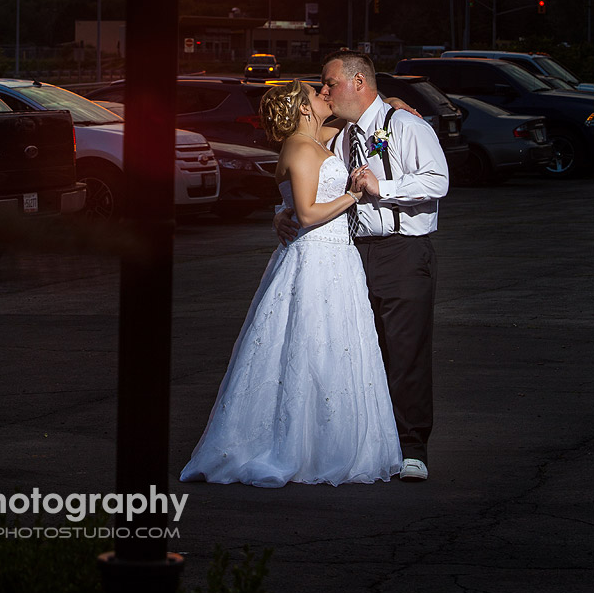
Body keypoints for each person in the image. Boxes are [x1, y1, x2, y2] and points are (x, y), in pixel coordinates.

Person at [180, 79, 402, 488]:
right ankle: (297, 445)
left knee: (337, 346)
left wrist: (393, 104)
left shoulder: (320, 140)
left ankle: (327, 440)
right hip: (314, 258)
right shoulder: (300, 147)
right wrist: (354, 195)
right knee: (307, 345)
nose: (324, 94)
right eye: (316, 92)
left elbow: (371, 132)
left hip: (337, 257)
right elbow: (306, 213)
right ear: (302, 109)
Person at [275, 52, 448, 481]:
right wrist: (282, 211)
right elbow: (308, 180)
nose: (325, 91)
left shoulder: (406, 125)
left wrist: (382, 186)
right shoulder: (336, 136)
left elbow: (438, 179)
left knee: (405, 350)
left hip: (402, 251)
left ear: (357, 82)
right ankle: (367, 441)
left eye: (329, 83)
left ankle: (411, 449)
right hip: (348, 255)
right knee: (358, 350)